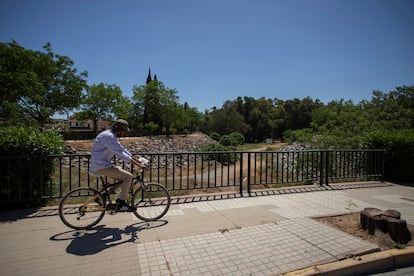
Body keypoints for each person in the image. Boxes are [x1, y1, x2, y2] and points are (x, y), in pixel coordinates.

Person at [89, 119, 146, 211]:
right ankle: (122, 203)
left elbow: (123, 150)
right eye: (123, 131)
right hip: (102, 166)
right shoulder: (109, 137)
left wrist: (138, 161)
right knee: (129, 177)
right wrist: (138, 164)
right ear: (119, 129)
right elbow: (120, 153)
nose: (123, 133)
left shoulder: (110, 135)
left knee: (122, 176)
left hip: (102, 164)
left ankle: (104, 195)